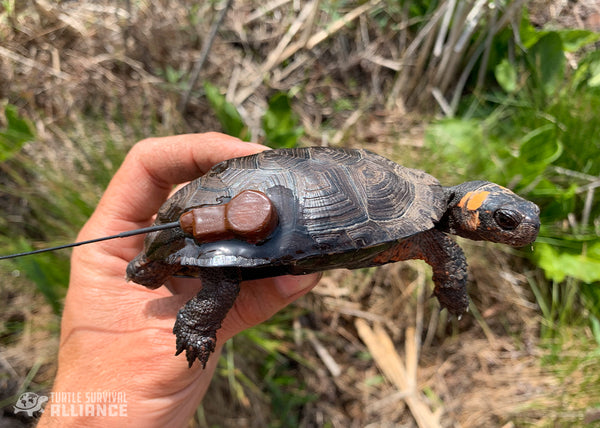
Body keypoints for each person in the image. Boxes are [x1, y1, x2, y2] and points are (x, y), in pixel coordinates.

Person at [37, 133, 320, 427]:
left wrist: (195, 326)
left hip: (316, 217)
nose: (139, 275)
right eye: (142, 269)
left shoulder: (194, 251)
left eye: (144, 268)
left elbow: (222, 283)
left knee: (220, 282)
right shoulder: (191, 248)